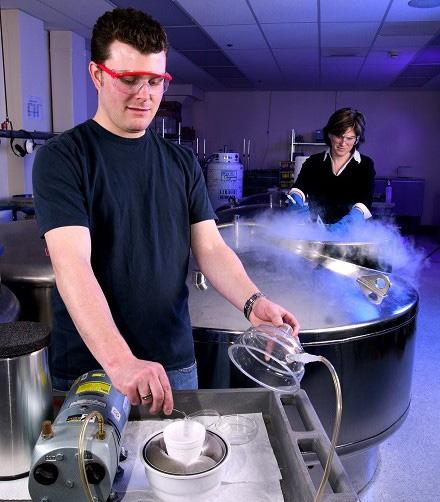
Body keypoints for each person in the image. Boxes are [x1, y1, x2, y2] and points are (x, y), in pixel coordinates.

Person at [32, 8, 300, 416]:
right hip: (93, 367)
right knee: (92, 478)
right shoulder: (64, 158)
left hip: (173, 362)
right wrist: (121, 361)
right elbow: (73, 266)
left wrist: (253, 302)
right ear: (97, 74)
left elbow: (209, 248)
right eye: (130, 79)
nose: (146, 94)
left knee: (178, 471)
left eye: (156, 80)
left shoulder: (182, 162)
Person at [287, 108, 376, 229]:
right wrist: (295, 200)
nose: (343, 143)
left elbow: (365, 200)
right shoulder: (313, 162)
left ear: (357, 139)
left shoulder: (365, 165)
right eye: (339, 136)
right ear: (329, 134)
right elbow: (299, 188)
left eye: (350, 138)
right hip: (315, 233)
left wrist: (353, 219)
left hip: (351, 235)